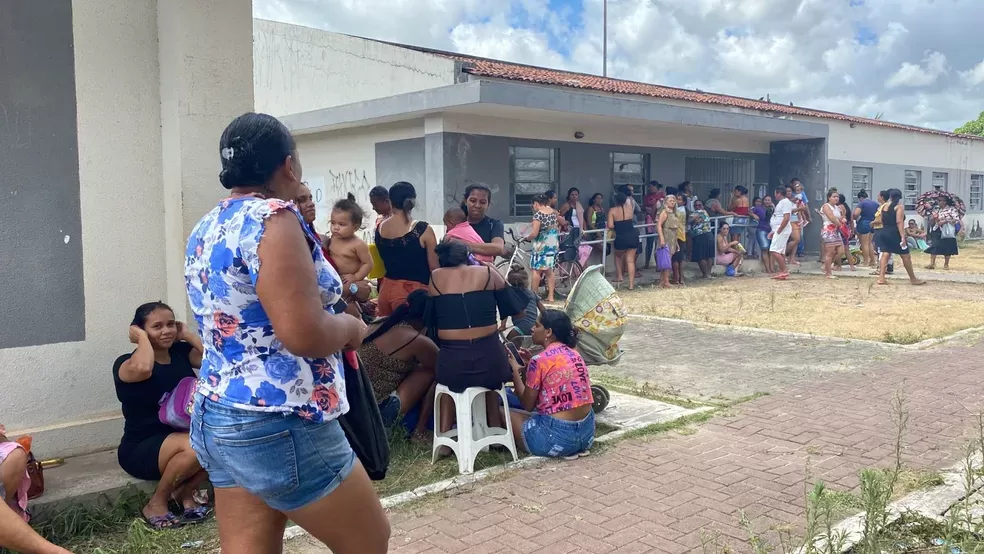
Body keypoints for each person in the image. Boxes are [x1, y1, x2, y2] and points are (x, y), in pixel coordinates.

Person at [184, 112, 389, 553]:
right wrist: (352, 327)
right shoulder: (275, 218)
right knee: (369, 541)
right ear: (289, 165)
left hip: (218, 410)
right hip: (277, 414)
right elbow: (304, 334)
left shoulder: (211, 223)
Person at [113, 302, 209, 529]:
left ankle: (184, 491)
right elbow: (145, 368)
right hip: (142, 448)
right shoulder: (126, 364)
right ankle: (156, 503)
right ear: (140, 330)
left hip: (181, 440)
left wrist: (187, 334)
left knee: (221, 439)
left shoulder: (180, 354)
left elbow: (213, 361)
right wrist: (142, 339)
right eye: (157, 326)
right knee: (197, 444)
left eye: (170, 324)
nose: (166, 331)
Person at [428, 242, 526, 434]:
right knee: (492, 373)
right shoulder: (487, 274)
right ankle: (495, 424)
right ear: (467, 256)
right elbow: (519, 311)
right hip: (491, 362)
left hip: (453, 364)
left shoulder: (435, 277)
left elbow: (431, 321)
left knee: (446, 383)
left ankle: (445, 430)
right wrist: (495, 274)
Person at [504, 310, 594, 459]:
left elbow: (527, 404)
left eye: (537, 325)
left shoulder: (539, 360)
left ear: (548, 332)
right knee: (529, 415)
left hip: (555, 439)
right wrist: (527, 366)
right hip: (586, 435)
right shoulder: (574, 353)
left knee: (504, 413)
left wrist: (514, 372)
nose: (532, 329)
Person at [359, 290, 437, 443]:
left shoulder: (382, 322)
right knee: (431, 372)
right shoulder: (415, 339)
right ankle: (420, 431)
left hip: (358, 406)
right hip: (379, 412)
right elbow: (443, 366)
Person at [375, 181, 439, 316]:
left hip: (385, 290)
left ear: (390, 201)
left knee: (386, 335)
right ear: (413, 202)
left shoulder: (380, 228)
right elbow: (434, 268)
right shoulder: (423, 230)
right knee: (414, 336)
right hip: (412, 294)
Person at [875, 188, 925, 286]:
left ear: (890, 197)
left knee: (885, 254)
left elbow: (880, 219)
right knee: (905, 255)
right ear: (900, 197)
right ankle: (913, 278)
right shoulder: (899, 207)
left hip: (884, 231)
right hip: (895, 233)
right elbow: (899, 221)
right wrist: (903, 236)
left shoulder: (884, 206)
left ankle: (881, 278)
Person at [328, 193, 373, 298]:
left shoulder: (358, 244)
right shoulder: (333, 239)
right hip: (336, 281)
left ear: (355, 227)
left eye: (341, 224)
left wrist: (356, 276)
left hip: (350, 281)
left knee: (350, 306)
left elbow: (368, 264)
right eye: (333, 223)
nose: (336, 228)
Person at [525, 194, 561, 302]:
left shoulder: (538, 215)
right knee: (549, 271)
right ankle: (551, 296)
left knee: (536, 270)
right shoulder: (553, 213)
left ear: (536, 203)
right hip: (552, 243)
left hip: (542, 245)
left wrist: (527, 237)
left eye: (533, 205)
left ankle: (534, 296)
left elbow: (535, 233)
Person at [460, 183, 507, 260]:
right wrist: (486, 249)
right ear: (465, 201)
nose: (477, 205)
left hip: (485, 270)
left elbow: (498, 248)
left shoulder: (494, 224)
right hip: (458, 271)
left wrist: (462, 244)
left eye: (482, 202)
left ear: (488, 204)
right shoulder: (457, 223)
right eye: (473, 200)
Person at [608, 187, 640, 289]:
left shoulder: (612, 210)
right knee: (630, 261)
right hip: (632, 235)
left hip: (621, 236)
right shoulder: (630, 209)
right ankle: (631, 285)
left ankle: (620, 276)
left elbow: (610, 225)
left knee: (618, 256)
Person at [501, 268, 546, 337]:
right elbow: (543, 310)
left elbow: (505, 313)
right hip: (534, 326)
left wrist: (502, 326)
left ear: (508, 282)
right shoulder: (532, 293)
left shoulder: (510, 296)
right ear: (527, 281)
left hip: (520, 328)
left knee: (508, 343)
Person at [925, 195, 960, 269]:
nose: (938, 202)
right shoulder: (937, 210)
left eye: (940, 200)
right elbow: (931, 222)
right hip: (937, 229)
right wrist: (933, 218)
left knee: (947, 246)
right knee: (934, 245)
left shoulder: (951, 209)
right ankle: (932, 263)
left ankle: (946, 264)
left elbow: (956, 220)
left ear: (945, 202)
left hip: (947, 230)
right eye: (938, 200)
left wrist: (946, 221)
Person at [768, 188, 794, 280]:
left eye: (775, 193)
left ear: (779, 193)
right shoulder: (782, 203)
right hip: (779, 230)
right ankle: (782, 271)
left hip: (782, 230)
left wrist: (779, 230)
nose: (775, 195)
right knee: (780, 251)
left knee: (774, 250)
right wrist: (774, 231)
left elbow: (786, 218)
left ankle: (784, 271)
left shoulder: (785, 202)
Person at [655, 195, 680, 288]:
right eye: (670, 201)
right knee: (666, 258)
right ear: (665, 202)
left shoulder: (673, 212)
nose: (672, 202)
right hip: (666, 235)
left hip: (673, 236)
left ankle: (663, 281)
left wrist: (676, 242)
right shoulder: (664, 212)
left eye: (673, 201)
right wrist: (661, 238)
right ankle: (665, 281)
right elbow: (659, 225)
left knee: (668, 258)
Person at [819, 191, 846, 279]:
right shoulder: (826, 206)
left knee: (841, 251)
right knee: (830, 252)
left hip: (836, 231)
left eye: (837, 197)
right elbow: (832, 218)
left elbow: (840, 217)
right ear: (829, 198)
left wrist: (843, 218)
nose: (836, 198)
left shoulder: (837, 208)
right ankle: (828, 273)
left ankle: (827, 265)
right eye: (834, 196)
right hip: (828, 230)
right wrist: (840, 224)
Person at [688, 199, 715, 278]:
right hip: (709, 234)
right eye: (695, 205)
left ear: (703, 206)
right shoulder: (706, 212)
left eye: (699, 205)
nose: (697, 207)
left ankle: (705, 274)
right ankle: (708, 274)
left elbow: (689, 221)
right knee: (709, 255)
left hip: (700, 235)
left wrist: (693, 217)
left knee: (701, 256)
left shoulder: (696, 213)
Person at [854, 190, 879, 268]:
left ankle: (865, 262)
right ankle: (873, 261)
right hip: (873, 223)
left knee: (864, 244)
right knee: (870, 243)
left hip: (864, 223)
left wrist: (854, 218)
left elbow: (856, 214)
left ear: (860, 197)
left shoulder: (861, 203)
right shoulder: (875, 203)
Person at [642, 182, 664, 268]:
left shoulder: (662, 197)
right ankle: (647, 263)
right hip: (649, 222)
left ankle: (658, 265)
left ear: (656, 187)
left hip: (659, 221)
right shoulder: (646, 197)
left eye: (651, 187)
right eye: (649, 187)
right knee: (649, 242)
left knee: (658, 243)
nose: (649, 189)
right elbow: (643, 207)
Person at [751, 197, 773, 273]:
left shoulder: (773, 208)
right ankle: (767, 269)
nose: (767, 201)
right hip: (761, 230)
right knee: (765, 249)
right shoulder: (758, 208)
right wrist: (753, 215)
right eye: (766, 200)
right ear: (763, 201)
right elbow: (749, 211)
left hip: (771, 231)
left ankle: (771, 268)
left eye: (769, 200)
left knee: (771, 250)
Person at [791, 179, 811, 260]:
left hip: (799, 214)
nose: (797, 186)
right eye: (795, 184)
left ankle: (800, 251)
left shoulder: (802, 194)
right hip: (791, 216)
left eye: (798, 185)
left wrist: (809, 216)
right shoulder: (790, 194)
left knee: (800, 235)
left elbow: (805, 205)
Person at [672, 192, 689, 285]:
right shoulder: (685, 210)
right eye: (676, 199)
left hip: (677, 235)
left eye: (679, 200)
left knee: (676, 257)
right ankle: (679, 277)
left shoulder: (674, 210)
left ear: (684, 202)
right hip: (680, 234)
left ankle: (677, 277)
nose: (677, 201)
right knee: (679, 257)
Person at [837, 193, 856, 271]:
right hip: (846, 229)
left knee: (838, 249)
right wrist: (852, 230)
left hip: (840, 228)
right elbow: (851, 220)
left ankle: (838, 266)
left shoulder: (839, 207)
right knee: (847, 249)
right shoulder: (848, 208)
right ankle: (852, 266)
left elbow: (839, 219)